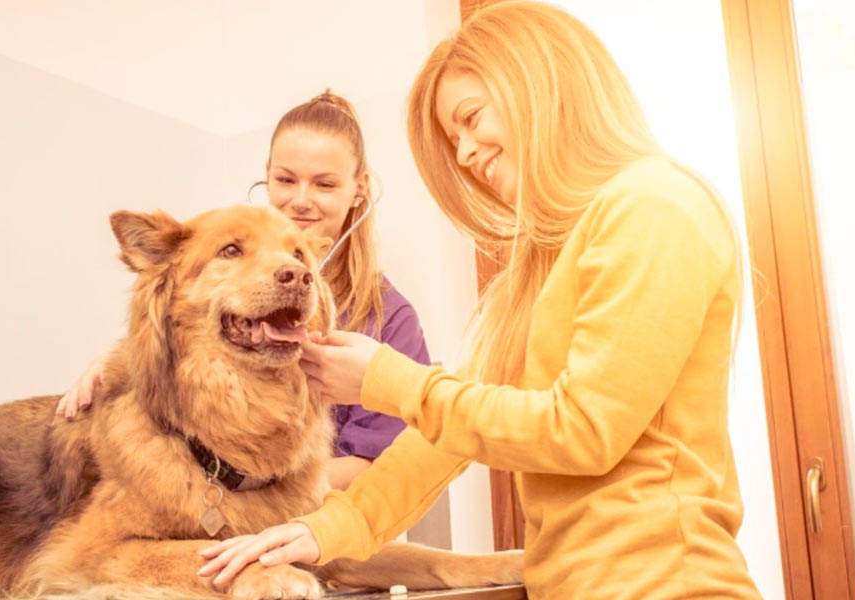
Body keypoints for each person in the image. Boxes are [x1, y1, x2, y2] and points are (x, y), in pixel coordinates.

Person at [196, 2, 763, 599]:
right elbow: (442, 440)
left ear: (538, 83)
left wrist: (387, 381)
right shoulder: (545, 261)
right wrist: (325, 529)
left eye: (470, 118)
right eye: (454, 138)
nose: (465, 153)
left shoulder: (652, 206)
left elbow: (584, 430)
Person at [55, 90, 431, 491]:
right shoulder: (217, 257)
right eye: (286, 179)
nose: (301, 201)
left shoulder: (392, 319)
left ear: (359, 187)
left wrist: (261, 492)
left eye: (324, 184)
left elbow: (384, 466)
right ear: (267, 175)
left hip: (330, 509)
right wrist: (123, 363)